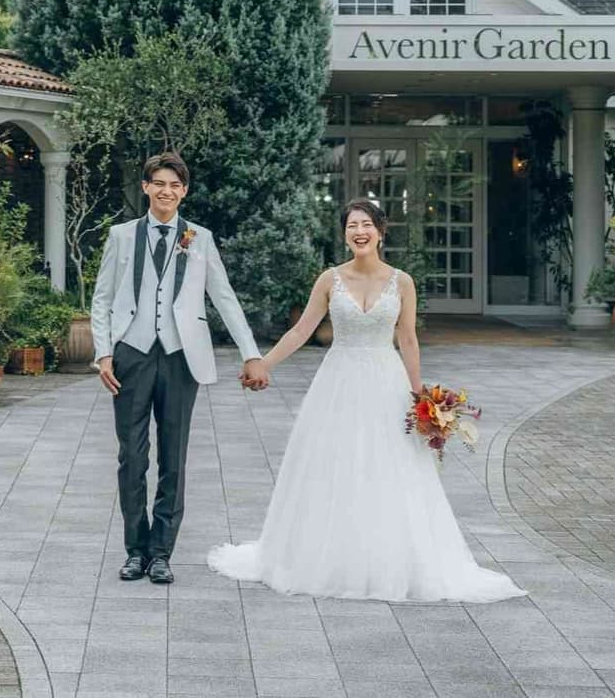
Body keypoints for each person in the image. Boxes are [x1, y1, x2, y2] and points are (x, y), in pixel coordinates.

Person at [207, 198, 525, 603]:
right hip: (338, 383)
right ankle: (328, 556)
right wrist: (262, 364)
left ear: (380, 231)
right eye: (351, 226)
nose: (359, 232)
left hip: (386, 381)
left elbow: (407, 339)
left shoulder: (402, 282)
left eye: (366, 225)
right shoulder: (330, 280)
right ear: (345, 234)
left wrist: (421, 399)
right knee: (334, 463)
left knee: (388, 466)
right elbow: (301, 331)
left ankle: (389, 558)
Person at [90, 151, 270, 586]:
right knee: (131, 457)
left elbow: (224, 297)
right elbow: (102, 297)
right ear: (146, 187)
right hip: (131, 354)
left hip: (180, 357)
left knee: (174, 457)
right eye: (159, 183)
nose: (166, 191)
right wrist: (103, 352)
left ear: (184, 191)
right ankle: (135, 550)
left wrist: (251, 353)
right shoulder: (121, 236)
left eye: (174, 185)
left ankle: (161, 553)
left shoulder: (199, 238)